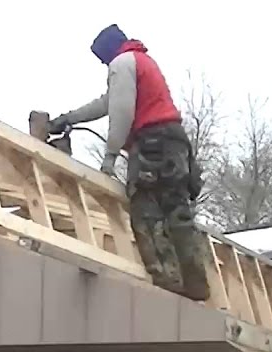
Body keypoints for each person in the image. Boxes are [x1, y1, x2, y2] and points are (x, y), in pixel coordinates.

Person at [47, 24, 213, 303]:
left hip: (152, 145)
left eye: (102, 59)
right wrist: (69, 118)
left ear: (108, 52)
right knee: (177, 210)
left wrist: (110, 156)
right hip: (174, 143)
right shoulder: (140, 61)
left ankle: (168, 284)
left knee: (146, 211)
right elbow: (108, 103)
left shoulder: (122, 63)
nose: (103, 64)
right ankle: (197, 284)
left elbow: (121, 112)